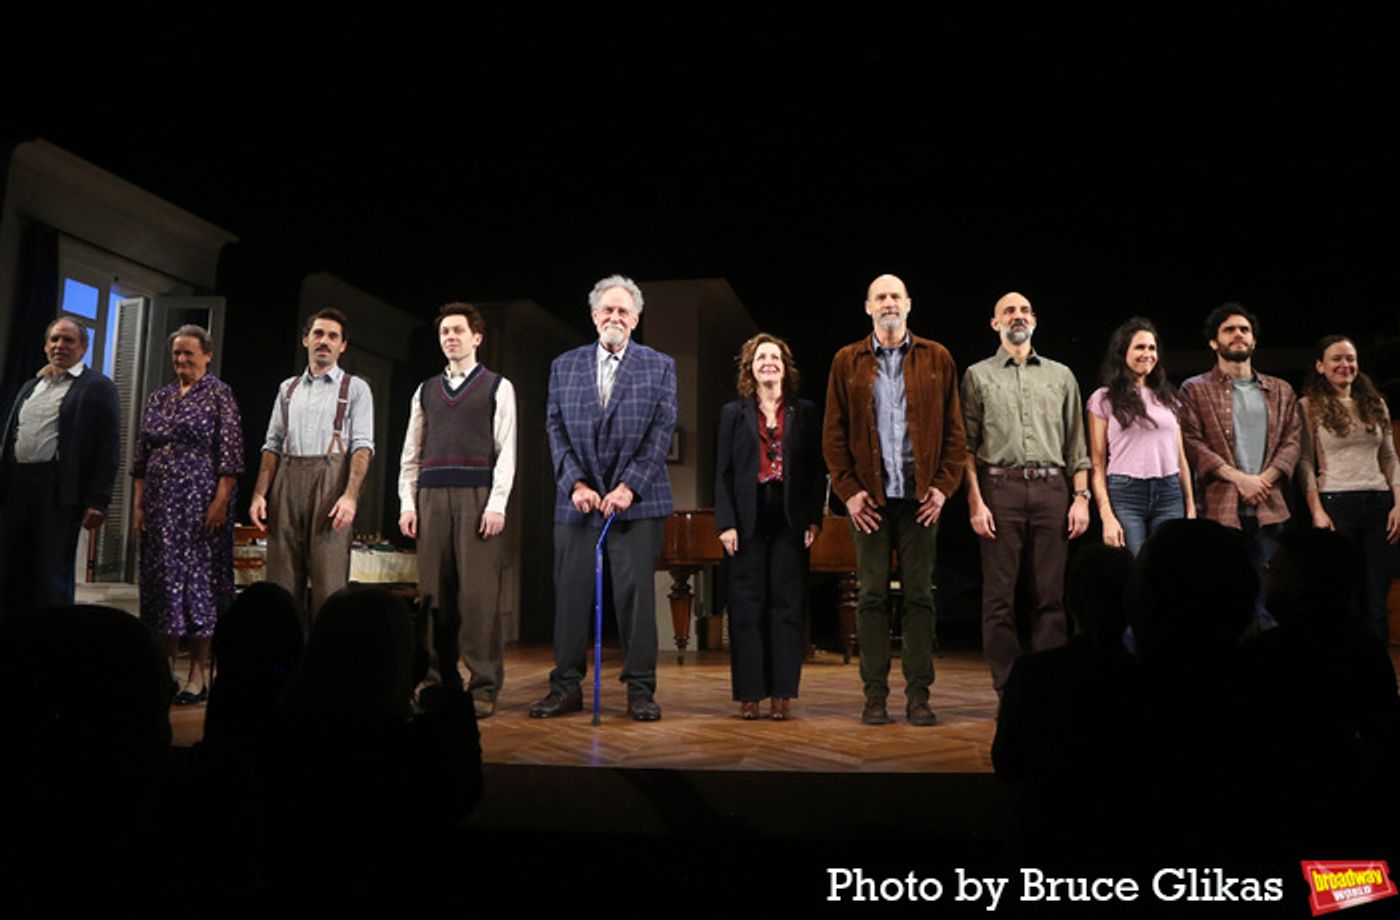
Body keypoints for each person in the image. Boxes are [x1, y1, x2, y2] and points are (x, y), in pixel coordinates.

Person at [529, 274, 676, 721]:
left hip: (638, 503)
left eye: (624, 311)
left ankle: (639, 690)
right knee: (571, 596)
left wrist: (629, 486)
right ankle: (566, 686)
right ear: (594, 317)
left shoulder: (659, 365)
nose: (615, 317)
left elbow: (660, 432)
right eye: (607, 310)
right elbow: (555, 429)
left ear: (635, 319)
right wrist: (576, 484)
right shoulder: (564, 365)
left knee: (635, 599)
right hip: (578, 502)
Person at [822, 274, 966, 726]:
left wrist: (943, 488)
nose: (888, 303)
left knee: (921, 596)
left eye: (895, 296)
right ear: (868, 307)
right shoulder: (847, 360)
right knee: (870, 597)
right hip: (870, 503)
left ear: (909, 304)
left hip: (921, 499)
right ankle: (875, 696)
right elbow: (833, 435)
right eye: (880, 297)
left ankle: (919, 696)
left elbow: (956, 434)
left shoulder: (937, 357)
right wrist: (849, 493)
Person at [962, 291, 1090, 696]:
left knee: (1050, 597)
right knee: (999, 598)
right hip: (1000, 489)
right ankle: (1008, 690)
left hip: (1053, 488)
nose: (1017, 316)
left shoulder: (1061, 375)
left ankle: (1047, 689)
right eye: (1008, 311)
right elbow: (965, 445)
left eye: (1024, 310)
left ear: (1034, 319)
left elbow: (1077, 444)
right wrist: (975, 501)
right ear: (994, 323)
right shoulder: (978, 375)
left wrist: (1081, 498)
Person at [398, 303, 517, 719]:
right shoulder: (426, 390)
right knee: (433, 596)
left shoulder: (497, 387)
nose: (451, 337)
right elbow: (411, 452)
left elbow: (506, 452)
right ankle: (435, 681)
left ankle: (483, 686)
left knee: (480, 598)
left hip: (477, 497)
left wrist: (497, 503)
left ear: (476, 337)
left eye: (459, 331)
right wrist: (407, 503)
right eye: (445, 331)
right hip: (431, 498)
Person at [132, 324, 244, 704]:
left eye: (189, 353)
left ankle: (197, 675)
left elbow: (230, 459)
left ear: (207, 355)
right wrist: (138, 505)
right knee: (161, 585)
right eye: (177, 353)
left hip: (200, 505)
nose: (181, 359)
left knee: (199, 590)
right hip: (160, 504)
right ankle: (163, 671)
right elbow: (140, 458)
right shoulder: (159, 397)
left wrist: (220, 502)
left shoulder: (219, 395)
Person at [715, 333, 823, 720]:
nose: (768, 363)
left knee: (786, 607)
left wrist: (814, 518)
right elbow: (723, 473)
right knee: (745, 608)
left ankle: (782, 693)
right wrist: (725, 523)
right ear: (751, 367)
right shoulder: (733, 413)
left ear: (784, 365)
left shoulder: (805, 411)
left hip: (790, 517)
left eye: (774, 357)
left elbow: (813, 472)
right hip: (747, 517)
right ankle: (750, 694)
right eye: (761, 358)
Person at [249, 309, 374, 627]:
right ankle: (284, 665)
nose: (324, 341)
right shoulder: (287, 389)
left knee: (330, 587)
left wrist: (350, 496)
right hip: (287, 486)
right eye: (318, 334)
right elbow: (271, 445)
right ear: (306, 339)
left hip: (330, 488)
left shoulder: (355, 388)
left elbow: (362, 447)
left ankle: (326, 668)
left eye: (333, 336)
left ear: (342, 346)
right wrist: (260, 494)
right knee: (281, 585)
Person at [1178, 303, 1300, 621]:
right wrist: (1239, 478)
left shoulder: (1281, 390)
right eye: (1229, 330)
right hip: (1219, 509)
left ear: (1254, 341)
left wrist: (1263, 480)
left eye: (1244, 330)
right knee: (1222, 599)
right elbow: (1191, 442)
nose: (1238, 335)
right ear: (1213, 342)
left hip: (1268, 506)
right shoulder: (1194, 389)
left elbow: (1292, 441)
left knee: (1271, 599)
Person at [0, 317, 120, 623]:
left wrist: (98, 499)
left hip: (56, 489)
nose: (59, 346)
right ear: (45, 345)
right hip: (17, 487)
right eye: (54, 339)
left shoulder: (97, 387)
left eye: (68, 340)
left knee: (51, 573)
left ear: (83, 348)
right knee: (13, 569)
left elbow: (108, 447)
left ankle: (54, 642)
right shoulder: (32, 385)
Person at [1298, 335, 1400, 643]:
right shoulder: (1308, 405)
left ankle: (1378, 678)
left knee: (1377, 602)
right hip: (1336, 503)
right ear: (1320, 366)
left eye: (1350, 359)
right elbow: (1305, 462)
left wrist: (1398, 503)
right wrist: (1316, 510)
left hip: (1380, 504)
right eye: (1337, 359)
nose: (1345, 365)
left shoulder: (1375, 402)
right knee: (1347, 598)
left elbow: (1389, 457)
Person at [1086, 317, 1195, 555]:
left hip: (1169, 492)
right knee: (1134, 567)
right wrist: (1106, 516)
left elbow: (1181, 460)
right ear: (1123, 352)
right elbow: (1097, 462)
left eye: (1152, 348)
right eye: (1139, 347)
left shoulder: (1169, 398)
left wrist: (1190, 506)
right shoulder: (1103, 398)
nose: (1147, 353)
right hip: (1125, 493)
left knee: (1167, 568)